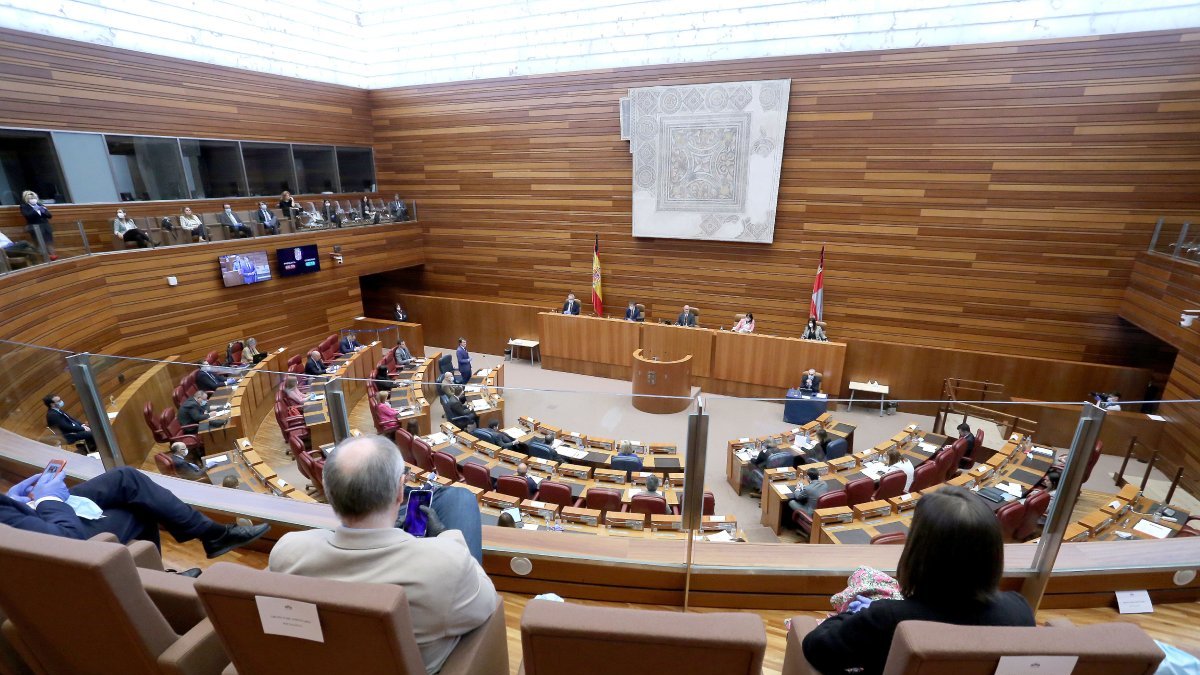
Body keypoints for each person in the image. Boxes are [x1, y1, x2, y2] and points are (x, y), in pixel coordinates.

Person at [268, 435, 496, 675]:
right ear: (401, 490)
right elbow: (487, 601)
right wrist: (448, 538)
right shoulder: (447, 564)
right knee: (459, 498)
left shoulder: (288, 552)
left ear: (328, 492)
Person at [802, 486, 1034, 674]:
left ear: (920, 553)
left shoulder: (889, 617)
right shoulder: (1019, 611)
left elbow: (816, 648)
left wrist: (855, 613)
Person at [2, 465, 270, 556]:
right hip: (53, 539)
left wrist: (14, 500)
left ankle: (211, 533)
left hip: (26, 516)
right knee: (140, 506)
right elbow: (65, 543)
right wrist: (49, 501)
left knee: (125, 479)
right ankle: (159, 579)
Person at [19, 190, 55, 260]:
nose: (33, 200)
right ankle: (42, 258)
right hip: (35, 227)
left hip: (45, 226)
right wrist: (35, 209)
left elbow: (49, 215)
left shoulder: (40, 205)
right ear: (26, 199)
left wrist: (43, 210)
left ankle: (53, 256)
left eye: (34, 198)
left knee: (49, 242)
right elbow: (27, 215)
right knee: (39, 243)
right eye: (30, 198)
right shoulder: (24, 206)